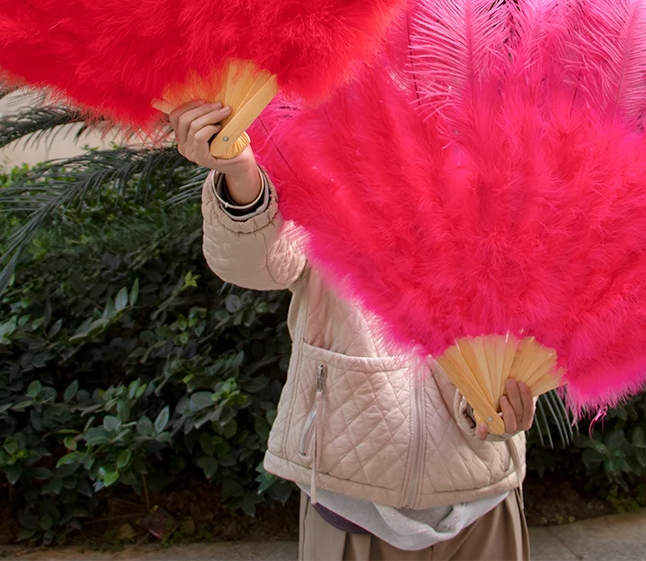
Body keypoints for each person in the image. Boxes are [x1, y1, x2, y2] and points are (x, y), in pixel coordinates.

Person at [169, 101, 537, 561]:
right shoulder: (317, 152)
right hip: (351, 508)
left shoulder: (491, 160)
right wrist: (241, 172)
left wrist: (497, 406)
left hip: (481, 504)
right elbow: (260, 262)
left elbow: (513, 320)